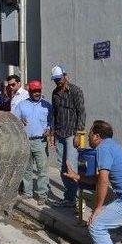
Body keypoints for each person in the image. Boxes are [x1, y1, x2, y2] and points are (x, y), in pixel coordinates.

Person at [49, 65, 86, 208]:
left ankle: (76, 199)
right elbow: (55, 114)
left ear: (65, 76)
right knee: (62, 167)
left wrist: (79, 133)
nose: (57, 81)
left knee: (72, 166)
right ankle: (69, 198)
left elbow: (81, 112)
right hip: (59, 133)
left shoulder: (76, 91)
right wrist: (52, 132)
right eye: (55, 79)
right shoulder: (55, 93)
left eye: (59, 78)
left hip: (72, 134)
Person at [13, 80, 52, 205]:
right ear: (29, 91)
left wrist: (49, 129)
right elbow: (14, 120)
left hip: (40, 141)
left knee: (42, 170)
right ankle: (27, 192)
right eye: (34, 91)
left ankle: (42, 195)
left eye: (38, 91)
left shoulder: (47, 106)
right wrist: (19, 121)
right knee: (27, 168)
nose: (37, 93)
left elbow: (52, 122)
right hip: (25, 141)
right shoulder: (21, 105)